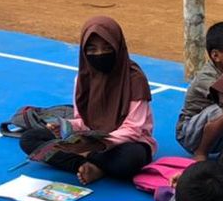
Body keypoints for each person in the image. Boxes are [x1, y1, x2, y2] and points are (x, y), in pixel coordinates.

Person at [22, 16, 157, 184]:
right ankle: (87, 166)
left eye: (107, 47)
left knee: (129, 160)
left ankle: (88, 161)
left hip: (124, 143)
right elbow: (83, 121)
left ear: (118, 46)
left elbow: (133, 129)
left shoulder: (134, 79)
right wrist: (67, 126)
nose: (99, 54)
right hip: (87, 140)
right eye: (92, 50)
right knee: (30, 139)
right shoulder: (83, 78)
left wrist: (92, 146)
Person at [175, 21, 223, 160]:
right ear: (216, 56)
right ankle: (201, 153)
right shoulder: (206, 77)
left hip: (221, 136)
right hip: (191, 134)